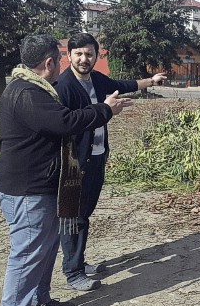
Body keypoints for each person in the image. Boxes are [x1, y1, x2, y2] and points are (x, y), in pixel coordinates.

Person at [0, 34, 131, 306]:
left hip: (40, 186)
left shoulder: (32, 88)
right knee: (28, 252)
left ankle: (38, 299)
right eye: (60, 59)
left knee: (45, 248)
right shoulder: (28, 93)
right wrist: (105, 110)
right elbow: (67, 122)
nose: (64, 65)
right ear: (49, 63)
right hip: (26, 190)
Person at [55, 32, 167, 291]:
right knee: (73, 216)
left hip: (96, 158)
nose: (84, 59)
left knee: (85, 214)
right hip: (75, 163)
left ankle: (79, 262)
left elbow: (122, 83)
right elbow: (67, 124)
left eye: (89, 54)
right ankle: (73, 272)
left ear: (96, 56)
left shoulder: (95, 79)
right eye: (79, 54)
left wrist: (151, 80)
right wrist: (105, 109)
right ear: (68, 55)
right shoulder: (65, 86)